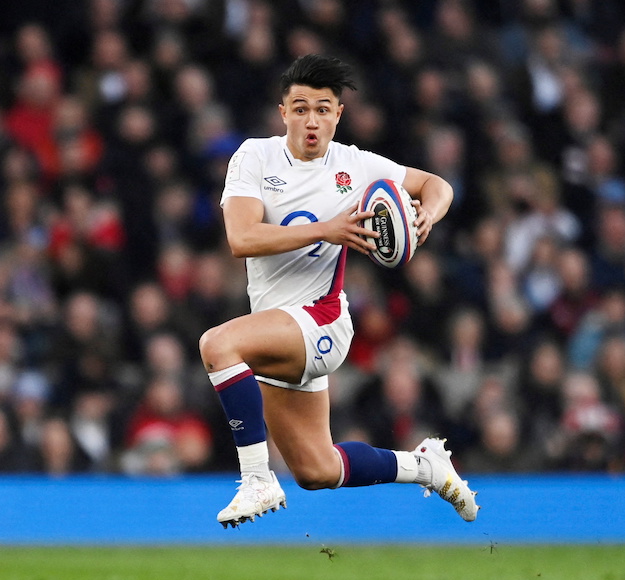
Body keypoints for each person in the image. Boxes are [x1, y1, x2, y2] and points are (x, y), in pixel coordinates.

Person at [199, 54, 478, 528]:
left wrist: (427, 214)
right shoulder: (253, 156)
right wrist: (326, 229)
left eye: (323, 109)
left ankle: (257, 480)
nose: (312, 120)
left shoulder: (358, 165)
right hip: (278, 325)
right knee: (316, 470)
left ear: (338, 115)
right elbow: (241, 238)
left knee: (218, 345)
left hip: (321, 321)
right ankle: (424, 466)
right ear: (283, 112)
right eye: (301, 108)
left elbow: (436, 184)